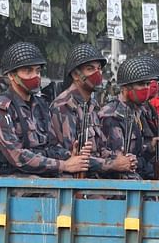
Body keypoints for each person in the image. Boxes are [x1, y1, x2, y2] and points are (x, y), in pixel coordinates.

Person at [0, 42, 90, 176]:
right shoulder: (1, 108)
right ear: (11, 75)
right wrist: (64, 165)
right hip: (14, 180)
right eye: (28, 71)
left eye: (38, 71)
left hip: (44, 175)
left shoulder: (41, 105)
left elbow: (52, 146)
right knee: (58, 193)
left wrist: (71, 156)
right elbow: (16, 156)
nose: (35, 76)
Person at [49, 43, 135, 177]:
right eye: (90, 69)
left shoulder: (92, 105)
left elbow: (101, 149)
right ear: (76, 75)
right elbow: (70, 155)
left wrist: (121, 159)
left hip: (95, 174)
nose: (97, 73)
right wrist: (111, 164)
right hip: (73, 178)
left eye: (99, 69)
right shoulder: (63, 106)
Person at [99, 56, 159, 179]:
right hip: (120, 184)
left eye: (147, 84)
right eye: (140, 84)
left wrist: (151, 147)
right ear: (125, 88)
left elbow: (137, 152)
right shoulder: (112, 115)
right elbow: (122, 162)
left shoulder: (140, 110)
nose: (146, 88)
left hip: (138, 176)